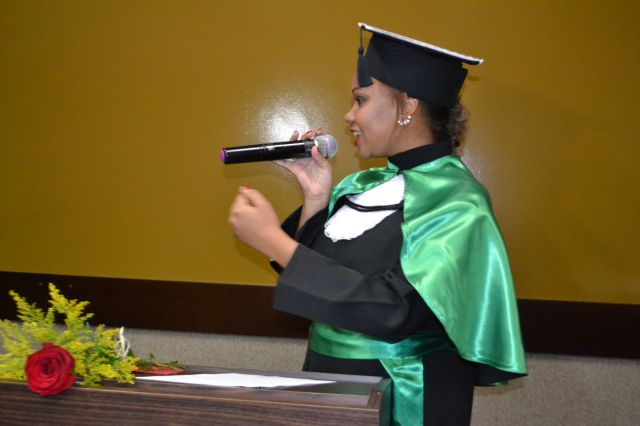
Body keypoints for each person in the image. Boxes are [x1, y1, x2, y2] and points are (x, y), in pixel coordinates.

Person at [228, 22, 527, 426]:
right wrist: (315, 197)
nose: (349, 116)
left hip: (404, 395)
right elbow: (316, 279)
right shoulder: (362, 186)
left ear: (408, 105)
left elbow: (394, 309)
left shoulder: (459, 202)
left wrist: (273, 241)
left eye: (361, 100)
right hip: (332, 386)